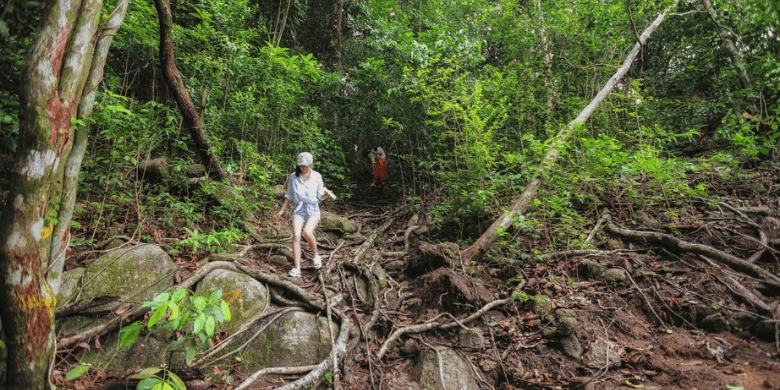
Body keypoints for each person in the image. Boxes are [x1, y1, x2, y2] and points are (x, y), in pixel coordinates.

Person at [274, 152, 337, 278]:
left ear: (310, 165)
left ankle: (316, 256)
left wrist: (327, 194)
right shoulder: (293, 177)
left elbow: (320, 194)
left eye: (305, 166)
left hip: (313, 209)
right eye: (301, 165)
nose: (302, 168)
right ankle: (297, 268)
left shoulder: (317, 176)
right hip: (299, 209)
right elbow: (289, 195)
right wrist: (282, 210)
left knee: (307, 232)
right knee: (296, 235)